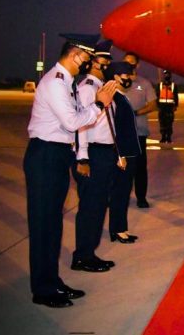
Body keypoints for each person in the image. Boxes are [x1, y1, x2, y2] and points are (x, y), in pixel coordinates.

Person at [23, 33, 116, 308]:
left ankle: (52, 282)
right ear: (75, 54)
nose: (86, 64)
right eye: (85, 59)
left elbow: (75, 121)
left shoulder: (67, 83)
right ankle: (42, 290)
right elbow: (73, 121)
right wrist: (99, 104)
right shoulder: (55, 83)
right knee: (42, 226)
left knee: (52, 225)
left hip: (57, 156)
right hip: (45, 156)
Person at [70, 39, 118, 273]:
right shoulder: (88, 87)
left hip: (106, 153)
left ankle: (90, 252)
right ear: (92, 63)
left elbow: (109, 125)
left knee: (99, 206)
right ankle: (83, 256)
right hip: (94, 154)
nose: (107, 62)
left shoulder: (103, 86)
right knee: (90, 206)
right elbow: (82, 125)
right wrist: (83, 158)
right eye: (102, 59)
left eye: (108, 59)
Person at [105, 62, 141, 243]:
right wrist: (120, 155)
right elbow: (114, 129)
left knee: (125, 192)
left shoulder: (121, 97)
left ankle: (120, 227)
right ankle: (118, 230)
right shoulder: (115, 99)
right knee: (120, 192)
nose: (129, 78)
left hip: (129, 153)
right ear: (116, 77)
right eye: (126, 75)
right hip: (123, 156)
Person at [123, 52, 157, 208]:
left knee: (139, 167)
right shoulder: (117, 82)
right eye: (125, 62)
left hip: (139, 132)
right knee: (120, 167)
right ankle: (120, 196)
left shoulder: (144, 83)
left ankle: (141, 197)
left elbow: (153, 104)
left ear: (137, 65)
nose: (128, 66)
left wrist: (136, 113)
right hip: (120, 134)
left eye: (131, 63)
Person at [156, 70, 179, 143]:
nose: (167, 76)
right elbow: (157, 96)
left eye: (168, 74)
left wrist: (175, 106)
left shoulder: (173, 85)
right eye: (165, 74)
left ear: (170, 75)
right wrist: (157, 106)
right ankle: (163, 137)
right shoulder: (159, 85)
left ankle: (168, 137)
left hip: (170, 107)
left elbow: (176, 96)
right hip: (162, 107)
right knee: (162, 122)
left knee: (169, 122)